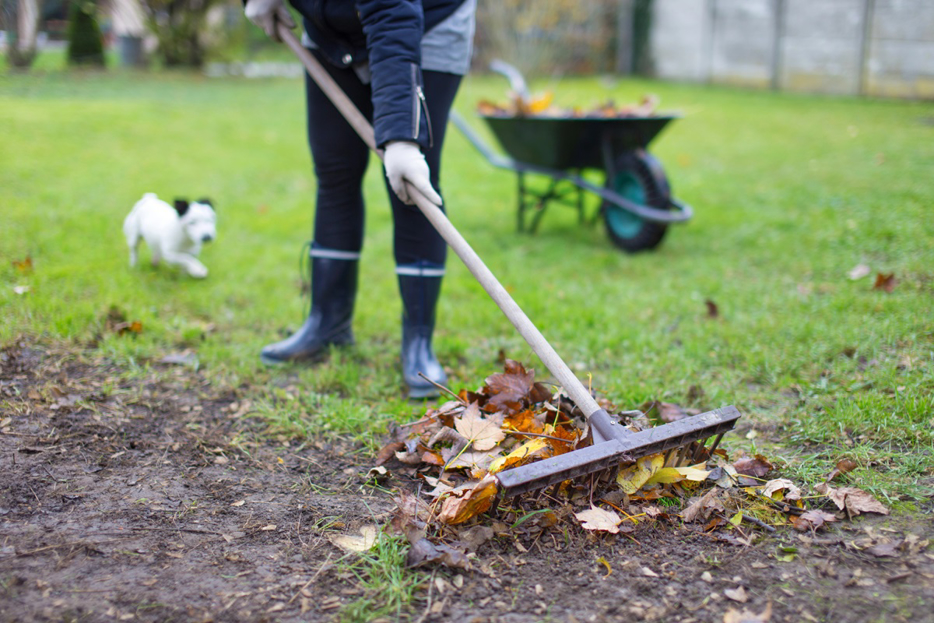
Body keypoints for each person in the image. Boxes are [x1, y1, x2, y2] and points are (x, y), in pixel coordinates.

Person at [244, 0, 476, 399]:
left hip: (427, 23)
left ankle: (418, 342)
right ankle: (328, 323)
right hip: (331, 31)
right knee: (335, 171)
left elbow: (392, 17)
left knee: (413, 184)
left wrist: (403, 139)